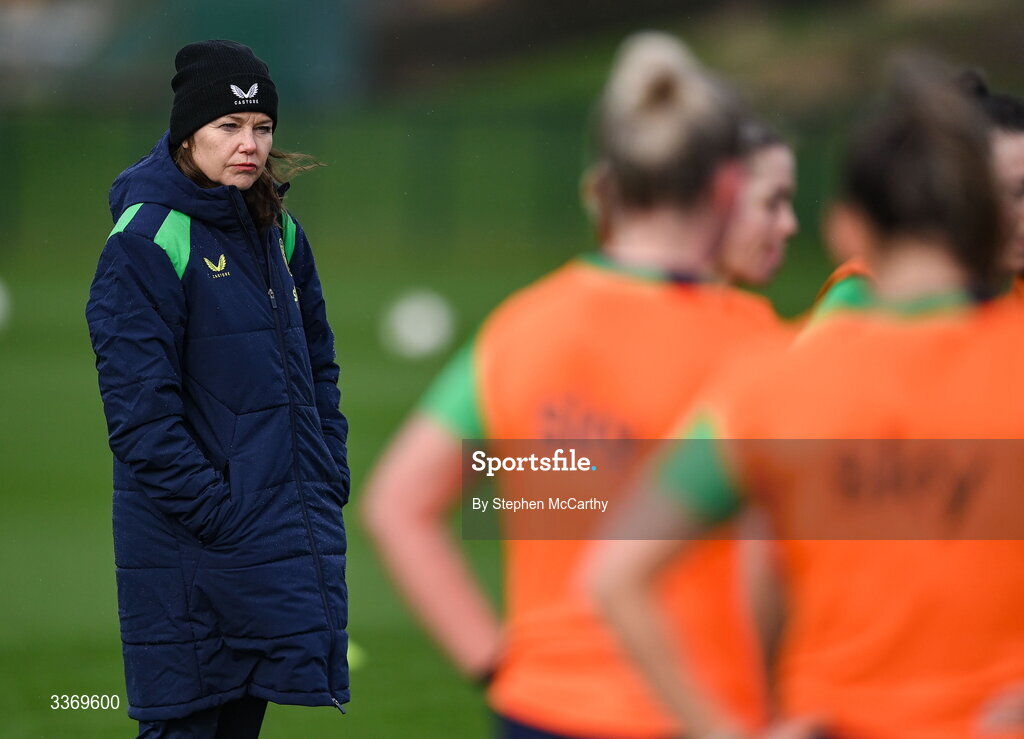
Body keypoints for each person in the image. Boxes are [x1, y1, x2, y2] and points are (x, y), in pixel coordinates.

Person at [361, 32, 796, 739]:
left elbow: (397, 504)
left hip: (541, 708)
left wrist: (498, 667)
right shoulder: (752, 342)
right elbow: (767, 554)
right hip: (701, 710)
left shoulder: (520, 324)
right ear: (725, 185)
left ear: (608, 183)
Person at [589, 56, 1024, 738]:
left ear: (847, 228)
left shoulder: (770, 384)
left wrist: (736, 726)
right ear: (984, 217)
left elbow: (617, 574)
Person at [86, 40, 350, 737]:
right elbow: (139, 416)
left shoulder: (279, 232)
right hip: (191, 550)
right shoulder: (145, 238)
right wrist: (221, 514)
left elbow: (319, 364)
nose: (249, 144)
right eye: (228, 127)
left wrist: (326, 472)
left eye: (261, 127)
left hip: (268, 539)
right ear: (188, 132)